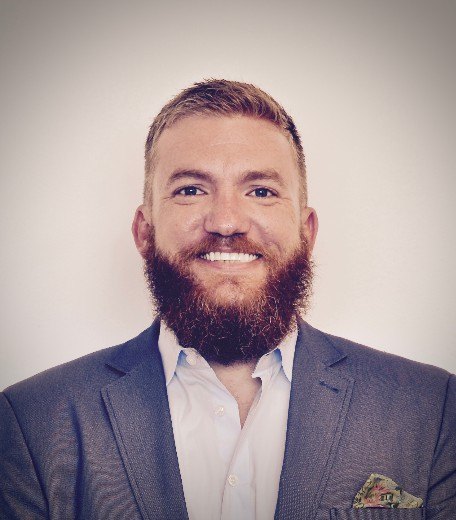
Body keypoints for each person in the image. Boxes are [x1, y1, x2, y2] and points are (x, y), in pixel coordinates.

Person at [0, 80, 454, 520]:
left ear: (306, 231)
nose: (226, 222)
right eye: (190, 190)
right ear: (144, 231)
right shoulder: (31, 422)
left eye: (261, 191)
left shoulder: (431, 409)